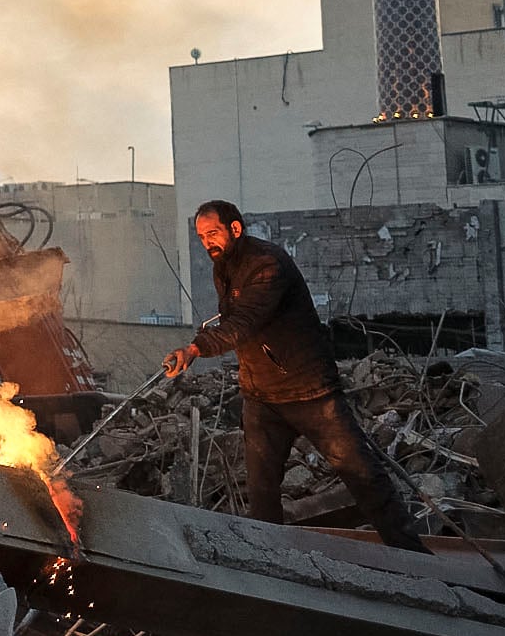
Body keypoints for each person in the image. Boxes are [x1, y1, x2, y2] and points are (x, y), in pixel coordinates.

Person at [161, 199, 426, 552]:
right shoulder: (223, 266)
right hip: (261, 397)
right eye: (201, 236)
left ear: (235, 229)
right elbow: (234, 319)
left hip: (310, 393)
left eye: (213, 233)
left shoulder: (268, 265)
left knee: (362, 475)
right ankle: (273, 561)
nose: (207, 242)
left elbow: (243, 323)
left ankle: (413, 555)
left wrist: (195, 349)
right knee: (262, 490)